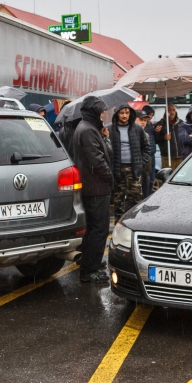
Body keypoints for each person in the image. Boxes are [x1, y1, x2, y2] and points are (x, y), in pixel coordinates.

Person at [72, 96, 114, 283]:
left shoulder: (89, 128)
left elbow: (102, 153)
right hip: (95, 187)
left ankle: (91, 263)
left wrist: (104, 137)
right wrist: (109, 177)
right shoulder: (88, 130)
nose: (104, 114)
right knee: (99, 228)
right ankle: (90, 270)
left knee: (93, 228)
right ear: (94, 112)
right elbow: (97, 160)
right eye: (101, 111)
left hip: (93, 185)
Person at [108, 105, 150, 222]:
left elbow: (146, 147)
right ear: (117, 114)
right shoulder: (110, 129)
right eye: (122, 113)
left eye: (127, 112)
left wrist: (141, 162)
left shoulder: (137, 128)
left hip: (134, 169)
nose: (125, 115)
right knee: (118, 201)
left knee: (136, 199)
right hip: (117, 169)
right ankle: (118, 225)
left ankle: (134, 223)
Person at [154, 103, 184, 169]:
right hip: (167, 157)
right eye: (170, 110)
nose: (172, 112)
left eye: (174, 110)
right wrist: (164, 138)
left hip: (180, 156)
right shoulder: (160, 124)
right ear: (166, 112)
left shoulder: (181, 123)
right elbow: (155, 140)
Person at [137, 109, 156, 198]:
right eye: (141, 120)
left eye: (145, 120)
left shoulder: (146, 135)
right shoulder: (130, 134)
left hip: (145, 170)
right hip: (135, 171)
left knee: (145, 195)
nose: (143, 122)